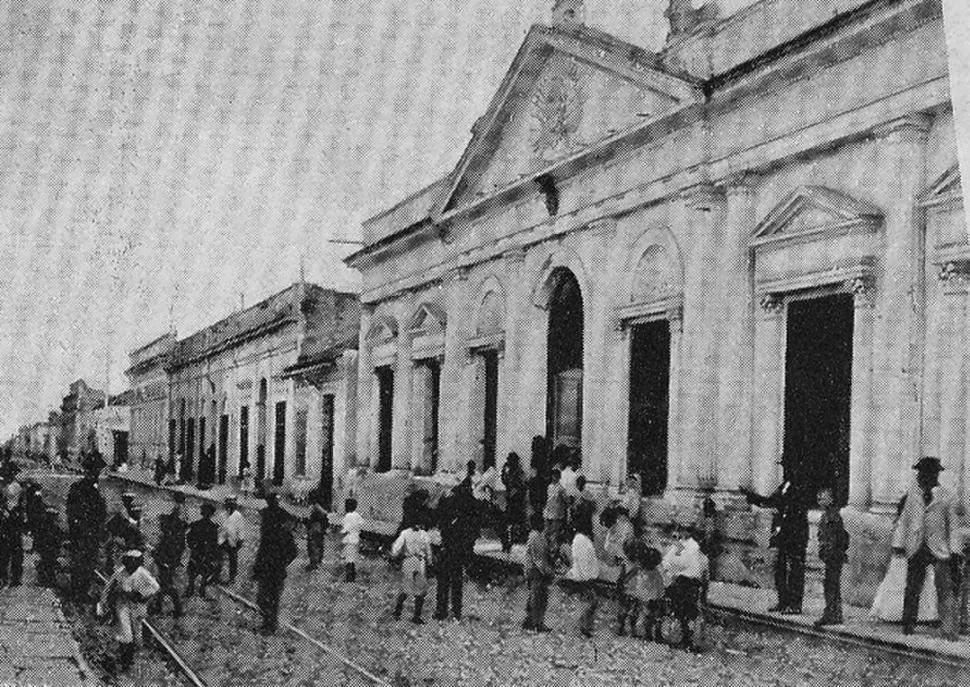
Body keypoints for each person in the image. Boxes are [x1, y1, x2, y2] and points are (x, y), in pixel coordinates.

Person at [897, 456, 963, 640]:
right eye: (920, 473)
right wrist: (899, 544)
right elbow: (905, 520)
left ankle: (949, 629)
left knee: (944, 588)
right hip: (917, 546)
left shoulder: (947, 496)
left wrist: (955, 550)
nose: (921, 477)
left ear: (934, 475)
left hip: (939, 548)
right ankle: (908, 624)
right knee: (912, 587)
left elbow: (954, 526)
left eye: (926, 473)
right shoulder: (913, 494)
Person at [742, 461, 810, 614]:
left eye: (788, 467)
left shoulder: (800, 487)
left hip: (796, 536)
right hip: (784, 536)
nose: (786, 469)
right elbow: (771, 501)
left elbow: (787, 506)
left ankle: (795, 604)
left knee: (795, 571)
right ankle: (783, 601)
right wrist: (752, 497)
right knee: (780, 570)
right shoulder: (784, 485)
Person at [99, 550, 159, 671]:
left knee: (137, 632)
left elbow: (155, 587)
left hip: (137, 605)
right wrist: (105, 603)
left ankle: (130, 659)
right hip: (123, 604)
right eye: (129, 562)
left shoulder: (142, 573)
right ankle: (124, 659)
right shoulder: (120, 572)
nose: (131, 565)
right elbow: (109, 587)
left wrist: (141, 595)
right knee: (125, 631)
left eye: (135, 562)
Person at [252, 494, 297, 634]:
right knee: (269, 598)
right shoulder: (273, 535)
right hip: (272, 569)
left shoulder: (277, 535)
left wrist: (282, 562)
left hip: (272, 569)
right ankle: (270, 623)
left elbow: (293, 552)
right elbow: (293, 552)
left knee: (267, 597)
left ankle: (269, 625)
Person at [433, 484, 479, 621]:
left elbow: (436, 515)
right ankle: (456, 612)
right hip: (457, 552)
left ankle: (442, 611)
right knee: (456, 583)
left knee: (443, 582)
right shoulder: (466, 518)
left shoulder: (447, 513)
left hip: (447, 550)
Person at [66, 461, 107, 603]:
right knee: (81, 562)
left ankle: (81, 591)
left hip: (90, 532)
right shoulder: (79, 488)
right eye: (94, 473)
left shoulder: (92, 488)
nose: (96, 476)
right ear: (88, 473)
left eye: (97, 473)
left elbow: (100, 511)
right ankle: (78, 592)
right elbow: (71, 511)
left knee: (88, 562)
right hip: (82, 532)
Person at [663, 525, 709, 651]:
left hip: (687, 583)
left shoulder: (693, 548)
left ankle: (687, 639)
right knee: (683, 612)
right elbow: (668, 560)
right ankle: (685, 638)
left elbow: (671, 562)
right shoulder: (684, 546)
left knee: (686, 612)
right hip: (683, 582)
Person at [814, 487, 849, 628]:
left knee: (831, 585)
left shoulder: (832, 516)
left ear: (831, 499)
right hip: (831, 554)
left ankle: (831, 614)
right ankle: (834, 613)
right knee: (831, 584)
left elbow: (838, 537)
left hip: (833, 555)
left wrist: (831, 551)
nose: (819, 500)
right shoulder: (829, 514)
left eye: (823, 498)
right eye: (819, 498)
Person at [390, 514, 432, 624]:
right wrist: (430, 561)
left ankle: (397, 612)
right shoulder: (424, 535)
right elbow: (428, 551)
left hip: (408, 561)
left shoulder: (405, 533)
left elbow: (396, 548)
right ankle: (416, 616)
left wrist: (394, 555)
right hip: (419, 561)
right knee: (420, 589)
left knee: (406, 587)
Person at [152, 493, 187, 617]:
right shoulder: (181, 511)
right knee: (164, 582)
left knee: (166, 584)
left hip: (168, 558)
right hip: (169, 557)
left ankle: (174, 607)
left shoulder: (178, 514)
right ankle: (162, 605)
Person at [601, 505, 635, 635]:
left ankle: (621, 624)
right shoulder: (623, 527)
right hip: (625, 563)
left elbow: (608, 545)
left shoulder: (622, 527)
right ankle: (623, 624)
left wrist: (616, 549)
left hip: (624, 562)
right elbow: (609, 545)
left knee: (624, 594)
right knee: (626, 595)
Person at [567, 517, 600, 638]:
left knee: (587, 601)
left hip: (584, 576)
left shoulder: (579, 539)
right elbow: (583, 561)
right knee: (590, 602)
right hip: (585, 577)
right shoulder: (582, 540)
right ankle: (582, 626)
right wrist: (588, 577)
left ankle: (584, 626)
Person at [626, 540, 665, 641]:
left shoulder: (642, 570)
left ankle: (643, 632)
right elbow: (659, 586)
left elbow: (629, 576)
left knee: (644, 613)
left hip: (644, 594)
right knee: (652, 615)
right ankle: (653, 633)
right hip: (650, 595)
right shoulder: (654, 573)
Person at [522, 514, 553, 632]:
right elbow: (538, 558)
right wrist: (547, 571)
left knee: (535, 597)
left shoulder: (538, 536)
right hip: (536, 571)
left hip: (535, 570)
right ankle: (536, 622)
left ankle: (531, 621)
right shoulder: (536, 537)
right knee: (539, 598)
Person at [185, 502, 219, 598]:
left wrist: (212, 553)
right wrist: (193, 546)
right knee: (193, 572)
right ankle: (191, 589)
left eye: (208, 513)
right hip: (198, 552)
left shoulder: (212, 528)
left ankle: (200, 590)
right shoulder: (196, 525)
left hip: (205, 553)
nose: (206, 515)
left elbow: (214, 543)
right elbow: (189, 537)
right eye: (205, 513)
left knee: (203, 572)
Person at [0, 464, 25, 586]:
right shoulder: (4, 486)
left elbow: (22, 505)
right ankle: (6, 577)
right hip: (6, 521)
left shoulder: (17, 487)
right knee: (6, 551)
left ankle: (13, 577)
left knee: (13, 551)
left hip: (13, 522)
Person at [500, 452, 526, 553]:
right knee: (509, 520)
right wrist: (504, 471)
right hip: (510, 497)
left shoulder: (518, 471)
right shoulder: (508, 470)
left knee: (514, 520)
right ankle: (508, 541)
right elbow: (504, 480)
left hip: (516, 499)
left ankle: (512, 539)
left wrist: (516, 490)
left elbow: (522, 484)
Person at [218, 496, 246, 583]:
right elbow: (218, 527)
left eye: (232, 505)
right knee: (218, 557)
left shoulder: (238, 516)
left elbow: (241, 530)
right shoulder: (222, 515)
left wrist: (240, 540)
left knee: (233, 559)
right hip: (222, 540)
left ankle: (232, 577)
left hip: (233, 541)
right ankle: (217, 574)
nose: (230, 507)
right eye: (228, 505)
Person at [34, 507, 63, 587]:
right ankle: (49, 580)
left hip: (48, 548)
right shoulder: (50, 526)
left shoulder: (45, 525)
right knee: (48, 564)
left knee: (48, 564)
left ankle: (48, 580)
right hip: (48, 548)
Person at [305, 482, 330, 571]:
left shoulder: (314, 506)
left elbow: (308, 516)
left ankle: (314, 563)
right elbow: (325, 514)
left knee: (313, 544)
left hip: (315, 526)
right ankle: (317, 562)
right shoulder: (318, 506)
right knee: (318, 543)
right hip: (319, 525)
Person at [543, 468, 567, 556]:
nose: (554, 477)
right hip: (548, 513)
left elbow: (566, 500)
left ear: (559, 477)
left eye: (556, 475)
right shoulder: (549, 487)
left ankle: (553, 553)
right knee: (547, 533)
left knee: (555, 534)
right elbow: (548, 500)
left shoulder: (561, 488)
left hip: (557, 514)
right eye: (553, 475)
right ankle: (547, 551)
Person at [341, 498, 364, 582]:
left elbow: (345, 529)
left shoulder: (347, 516)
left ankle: (349, 578)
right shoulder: (357, 515)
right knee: (353, 558)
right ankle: (353, 576)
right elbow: (361, 523)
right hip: (356, 539)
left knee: (348, 559)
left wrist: (341, 533)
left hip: (349, 539)